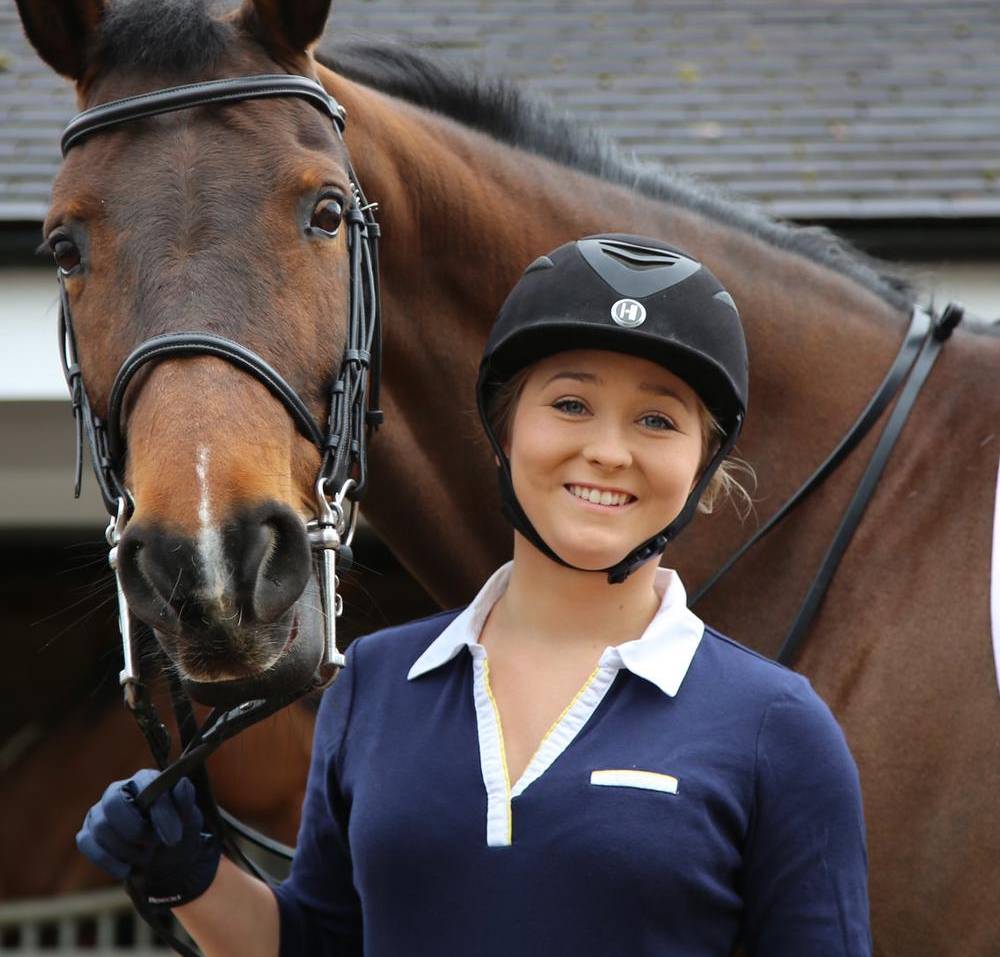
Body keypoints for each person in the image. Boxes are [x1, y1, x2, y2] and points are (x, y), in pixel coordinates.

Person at [77, 234, 873, 955]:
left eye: (658, 421)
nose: (607, 450)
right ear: (503, 431)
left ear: (703, 470)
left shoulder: (778, 728)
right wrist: (189, 876)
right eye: (569, 404)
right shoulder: (373, 684)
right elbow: (317, 944)